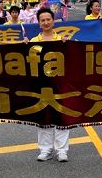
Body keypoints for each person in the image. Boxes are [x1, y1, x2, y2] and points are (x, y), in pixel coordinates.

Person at [24, 8, 70, 162]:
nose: (45, 22)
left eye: (48, 19)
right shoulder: (34, 42)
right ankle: (45, 149)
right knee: (43, 117)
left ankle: (62, 150)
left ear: (53, 21)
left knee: (61, 117)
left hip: (60, 84)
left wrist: (67, 45)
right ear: (38, 23)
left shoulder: (62, 40)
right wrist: (23, 47)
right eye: (42, 20)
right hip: (41, 85)